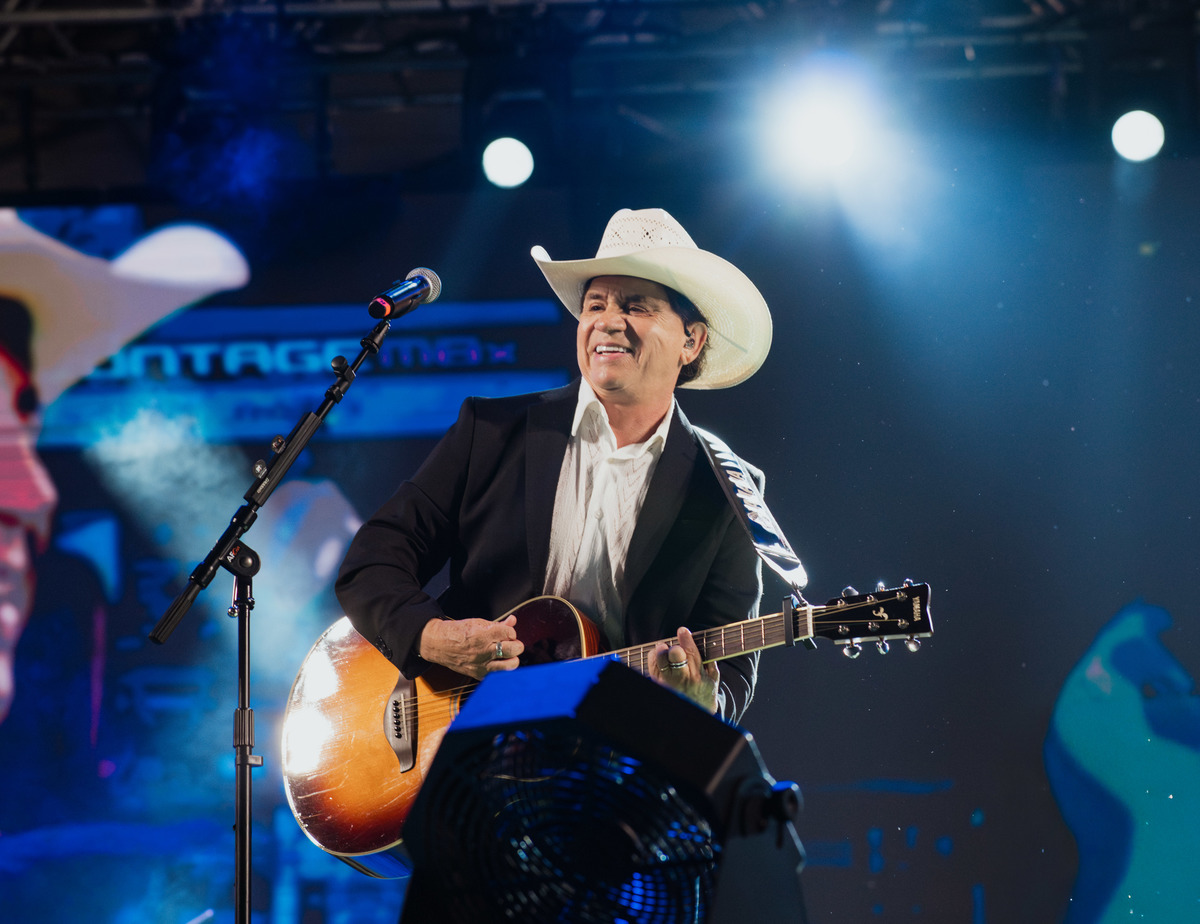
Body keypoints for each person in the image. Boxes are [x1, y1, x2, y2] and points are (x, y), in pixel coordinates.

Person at [335, 208, 773, 722]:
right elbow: (372, 561)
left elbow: (733, 669)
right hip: (458, 743)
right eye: (595, 305)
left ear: (691, 341)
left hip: (612, 753)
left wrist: (703, 703)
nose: (607, 321)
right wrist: (432, 638)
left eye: (636, 306)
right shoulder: (491, 431)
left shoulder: (729, 488)